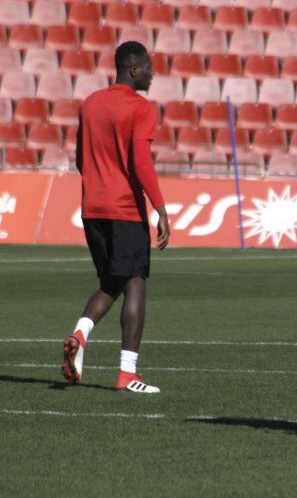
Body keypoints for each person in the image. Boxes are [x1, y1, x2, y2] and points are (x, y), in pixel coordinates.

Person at [60, 41, 170, 393]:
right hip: (125, 209)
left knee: (112, 281)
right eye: (149, 67)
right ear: (133, 69)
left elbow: (80, 158)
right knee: (135, 281)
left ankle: (80, 332)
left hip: (92, 209)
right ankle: (127, 374)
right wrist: (160, 208)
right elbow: (141, 162)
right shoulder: (141, 107)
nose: (153, 74)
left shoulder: (90, 104)